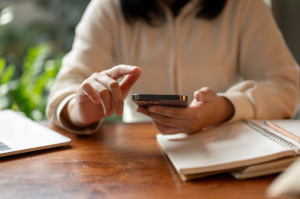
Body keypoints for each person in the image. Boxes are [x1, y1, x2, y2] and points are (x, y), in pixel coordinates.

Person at [46, 0, 299, 135]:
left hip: (223, 147)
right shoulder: (109, 6)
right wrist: (79, 113)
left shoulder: (244, 5)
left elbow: (286, 87)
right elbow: (64, 91)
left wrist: (225, 107)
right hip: (140, 157)